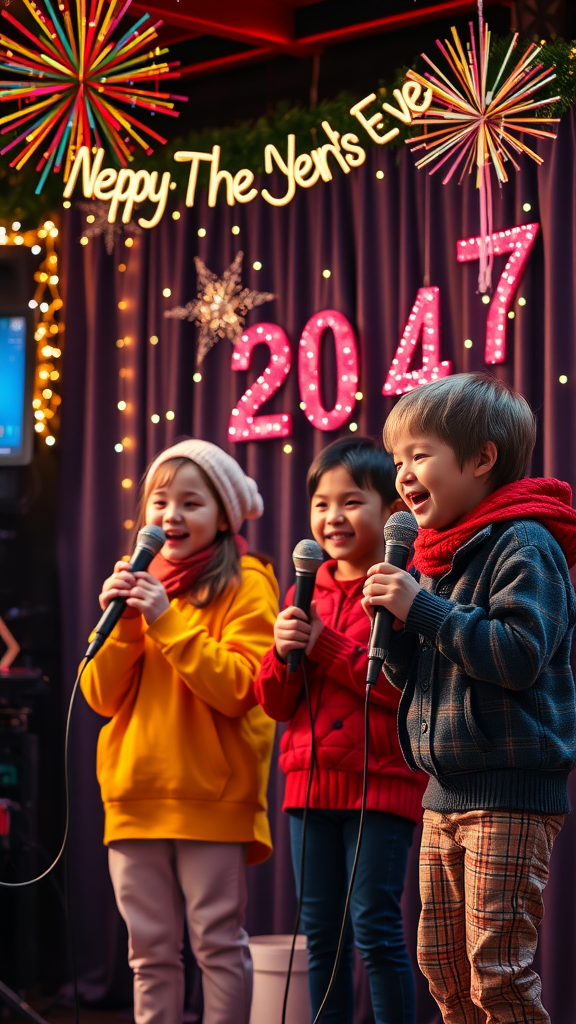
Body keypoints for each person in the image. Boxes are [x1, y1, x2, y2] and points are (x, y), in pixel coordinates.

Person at [362, 372, 576, 1024]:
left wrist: (421, 608)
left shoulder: (524, 542)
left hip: (509, 792)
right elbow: (430, 675)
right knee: (444, 970)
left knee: (497, 974)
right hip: (443, 794)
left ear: (482, 458)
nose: (403, 475)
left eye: (419, 455)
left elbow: (515, 656)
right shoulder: (434, 556)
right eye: (398, 460)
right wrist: (398, 638)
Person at [81, 439, 279, 1024]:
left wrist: (166, 619)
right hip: (134, 796)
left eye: (190, 503)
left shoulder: (248, 582)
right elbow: (99, 696)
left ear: (224, 515)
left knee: (218, 947)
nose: (170, 516)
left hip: (210, 798)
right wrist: (122, 624)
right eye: (160, 502)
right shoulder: (134, 583)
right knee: (149, 955)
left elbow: (242, 686)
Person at [255, 436, 427, 1024]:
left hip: (378, 785)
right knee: (322, 941)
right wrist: (282, 654)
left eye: (351, 501)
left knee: (376, 931)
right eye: (322, 503)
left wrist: (324, 645)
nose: (333, 517)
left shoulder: (405, 586)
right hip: (308, 788)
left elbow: (405, 693)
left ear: (390, 511)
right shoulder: (305, 587)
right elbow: (276, 703)